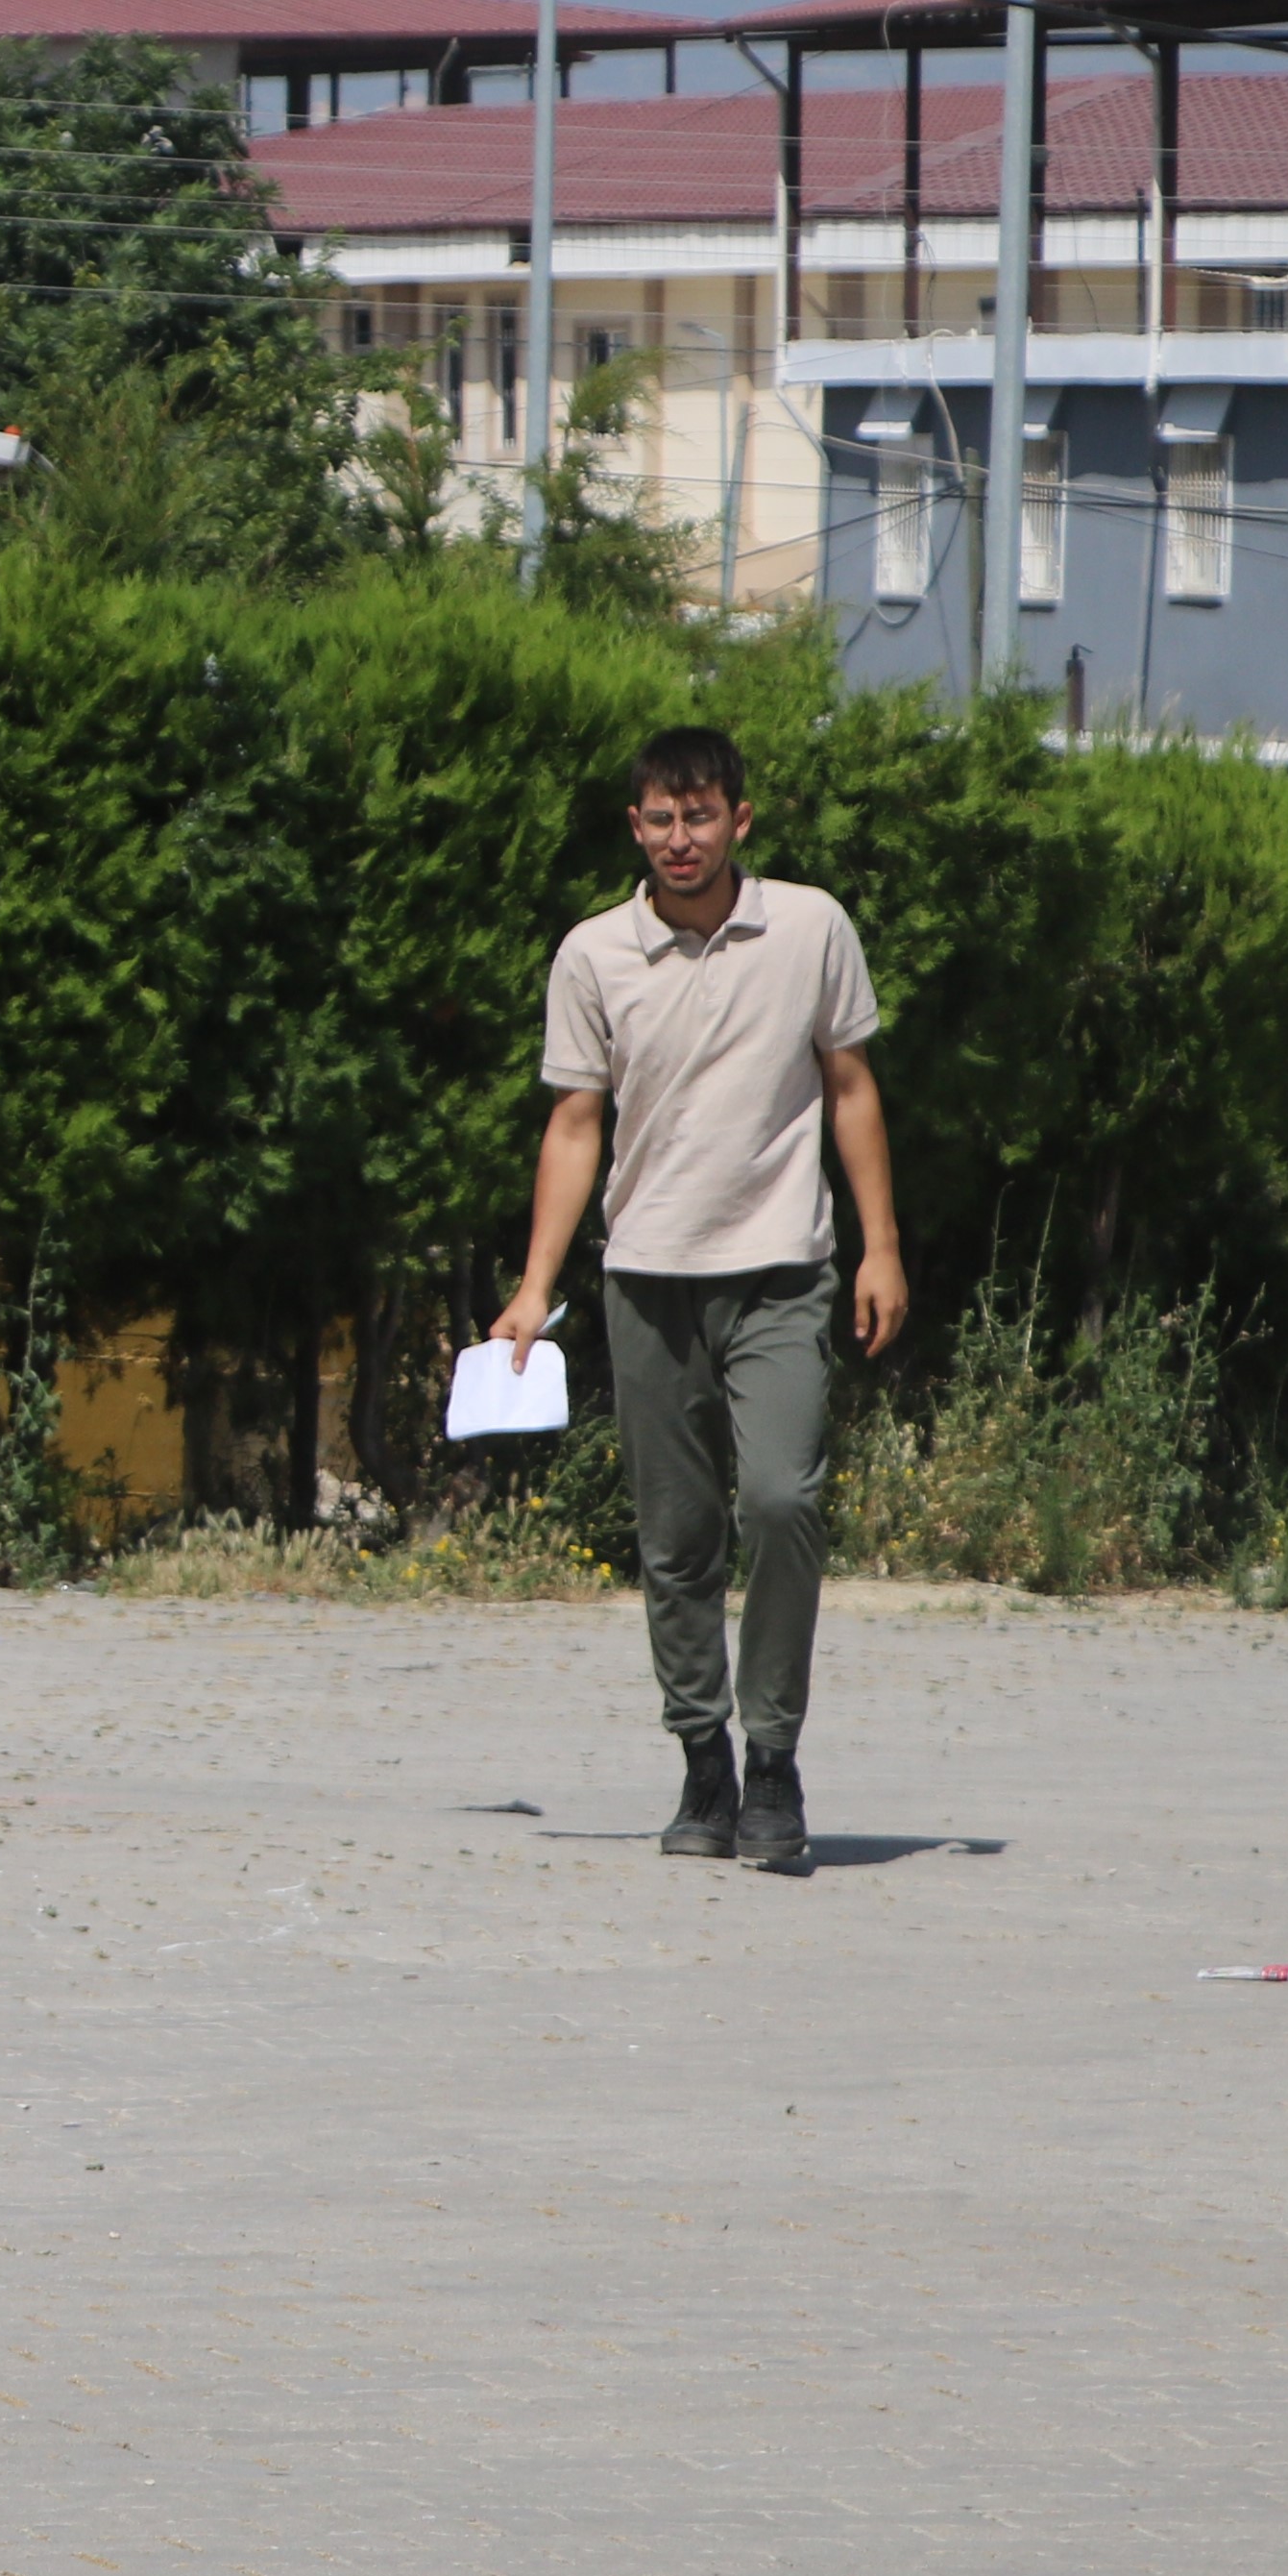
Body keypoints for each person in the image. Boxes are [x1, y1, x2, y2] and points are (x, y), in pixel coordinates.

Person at [494, 724, 908, 1878]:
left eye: (703, 815)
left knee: (781, 1499)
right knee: (677, 1539)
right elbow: (576, 1125)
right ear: (637, 828)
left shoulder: (811, 927)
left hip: (782, 1268)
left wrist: (882, 1249)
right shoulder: (593, 955)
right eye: (662, 820)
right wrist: (534, 1290)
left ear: (740, 819)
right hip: (648, 1278)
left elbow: (851, 1085)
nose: (683, 839)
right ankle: (703, 1759)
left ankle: (773, 1758)